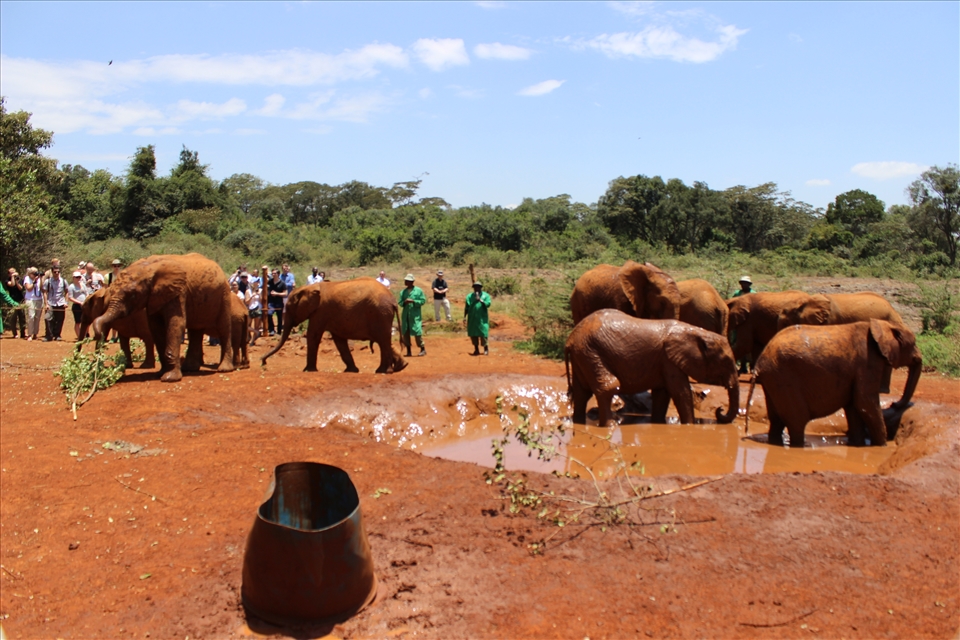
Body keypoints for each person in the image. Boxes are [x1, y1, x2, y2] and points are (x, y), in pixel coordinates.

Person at [399, 274, 426, 357]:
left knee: (417, 332)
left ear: (412, 282)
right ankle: (408, 351)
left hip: (415, 315)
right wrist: (404, 302)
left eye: (407, 281)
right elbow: (400, 302)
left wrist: (413, 301)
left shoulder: (418, 291)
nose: (406, 282)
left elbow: (423, 301)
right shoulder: (403, 292)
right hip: (406, 315)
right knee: (405, 332)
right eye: (405, 280)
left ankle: (422, 349)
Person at [732, 275, 754, 373]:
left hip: (750, 322)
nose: (743, 285)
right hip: (739, 321)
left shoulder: (754, 294)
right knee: (738, 343)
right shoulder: (737, 293)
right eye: (742, 283)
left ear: (749, 284)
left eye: (746, 283)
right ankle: (743, 366)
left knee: (751, 345)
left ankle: (752, 366)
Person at [464, 281, 492, 356]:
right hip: (472, 318)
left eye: (478, 287)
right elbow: (466, 307)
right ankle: (476, 349)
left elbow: (488, 304)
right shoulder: (469, 296)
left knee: (483, 333)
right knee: (473, 334)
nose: (476, 288)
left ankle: (486, 349)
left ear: (481, 288)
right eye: (475, 287)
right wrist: (464, 317)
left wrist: (480, 300)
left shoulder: (486, 296)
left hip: (482, 318)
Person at [42, 264, 68, 341]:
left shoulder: (63, 281)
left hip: (60, 303)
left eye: (58, 272)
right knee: (48, 319)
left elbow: (67, 292)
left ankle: (57, 335)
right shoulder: (48, 281)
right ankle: (48, 335)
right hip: (50, 303)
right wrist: (46, 304)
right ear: (52, 272)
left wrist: (66, 302)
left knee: (60, 319)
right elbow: (45, 293)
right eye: (55, 272)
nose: (56, 273)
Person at [67, 271, 90, 340]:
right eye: (77, 277)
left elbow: (87, 293)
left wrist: (86, 300)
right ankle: (80, 337)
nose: (78, 278)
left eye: (79, 277)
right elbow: (70, 298)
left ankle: (86, 335)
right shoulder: (71, 287)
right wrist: (80, 302)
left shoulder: (83, 285)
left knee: (86, 321)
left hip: (85, 305)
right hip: (77, 306)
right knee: (78, 322)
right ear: (73, 278)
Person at [22, 267, 43, 341]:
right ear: (30, 273)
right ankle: (29, 334)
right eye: (33, 273)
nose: (35, 274)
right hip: (30, 299)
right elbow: (28, 288)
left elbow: (42, 288)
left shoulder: (39, 279)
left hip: (39, 299)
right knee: (31, 316)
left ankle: (35, 334)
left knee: (37, 317)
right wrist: (34, 281)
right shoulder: (27, 278)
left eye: (36, 273)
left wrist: (41, 279)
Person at [5, 268, 26, 339]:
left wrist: (17, 281)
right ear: (9, 274)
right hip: (12, 301)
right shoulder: (7, 280)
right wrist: (12, 277)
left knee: (22, 318)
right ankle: (15, 334)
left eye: (14, 272)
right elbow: (12, 284)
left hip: (20, 301)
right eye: (11, 273)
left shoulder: (20, 280)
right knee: (13, 318)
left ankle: (23, 333)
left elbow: (20, 288)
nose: (13, 274)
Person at [266, 268, 287, 336]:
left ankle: (279, 331)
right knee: (269, 314)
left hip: (279, 302)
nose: (273, 275)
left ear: (278, 274)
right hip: (271, 302)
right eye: (272, 273)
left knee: (279, 317)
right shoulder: (269, 282)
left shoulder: (282, 283)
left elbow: (285, 293)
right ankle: (271, 329)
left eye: (275, 273)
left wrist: (276, 293)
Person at [246, 278, 263, 345]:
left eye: (258, 282)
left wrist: (259, 295)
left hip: (258, 309)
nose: (257, 283)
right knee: (246, 325)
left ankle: (252, 341)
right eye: (255, 282)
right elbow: (247, 302)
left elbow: (262, 301)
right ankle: (256, 332)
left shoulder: (261, 290)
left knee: (257, 325)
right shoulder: (248, 291)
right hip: (250, 309)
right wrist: (252, 296)